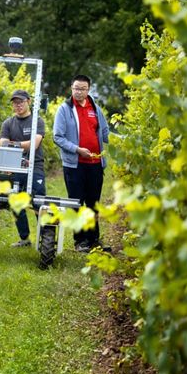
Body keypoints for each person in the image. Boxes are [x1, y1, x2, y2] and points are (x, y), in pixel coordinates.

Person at [53, 74, 110, 252]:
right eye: (76, 88)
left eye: (83, 89)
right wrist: (77, 149)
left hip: (95, 163)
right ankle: (80, 241)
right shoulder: (65, 109)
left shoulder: (95, 108)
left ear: (88, 90)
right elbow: (57, 137)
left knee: (93, 203)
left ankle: (93, 239)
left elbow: (105, 132)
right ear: (71, 88)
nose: (79, 92)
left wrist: (120, 142)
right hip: (75, 164)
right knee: (77, 202)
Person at [0, 90, 47, 248]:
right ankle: (25, 238)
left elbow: (34, 144)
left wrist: (14, 144)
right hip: (14, 167)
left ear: (28, 101)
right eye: (15, 102)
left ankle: (45, 236)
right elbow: (2, 144)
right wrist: (19, 145)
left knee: (39, 200)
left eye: (21, 102)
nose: (18, 105)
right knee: (15, 202)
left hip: (35, 166)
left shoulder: (37, 121)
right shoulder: (8, 123)